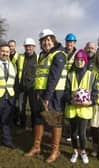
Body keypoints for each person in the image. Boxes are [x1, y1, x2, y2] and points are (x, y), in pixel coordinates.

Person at [24, 29, 67, 163]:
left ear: (53, 40)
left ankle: (55, 151)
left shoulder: (59, 54)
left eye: (48, 40)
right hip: (40, 92)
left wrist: (47, 97)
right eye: (43, 40)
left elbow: (54, 78)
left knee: (54, 122)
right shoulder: (43, 55)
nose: (46, 42)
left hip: (53, 94)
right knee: (38, 119)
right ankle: (36, 147)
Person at [65, 49, 98, 164]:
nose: (79, 62)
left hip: (85, 110)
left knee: (82, 134)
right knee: (73, 133)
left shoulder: (92, 75)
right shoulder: (70, 75)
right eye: (77, 60)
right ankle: (75, 151)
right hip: (73, 109)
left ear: (85, 61)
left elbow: (95, 93)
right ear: (74, 61)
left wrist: (91, 102)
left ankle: (83, 151)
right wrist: (71, 100)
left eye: (81, 60)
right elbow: (66, 92)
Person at [17, 38, 38, 128]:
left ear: (34, 47)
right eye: (26, 46)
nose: (28, 48)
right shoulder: (20, 57)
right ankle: (22, 124)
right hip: (22, 86)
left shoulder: (38, 58)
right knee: (21, 107)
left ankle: (34, 125)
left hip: (33, 87)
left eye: (30, 46)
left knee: (33, 108)